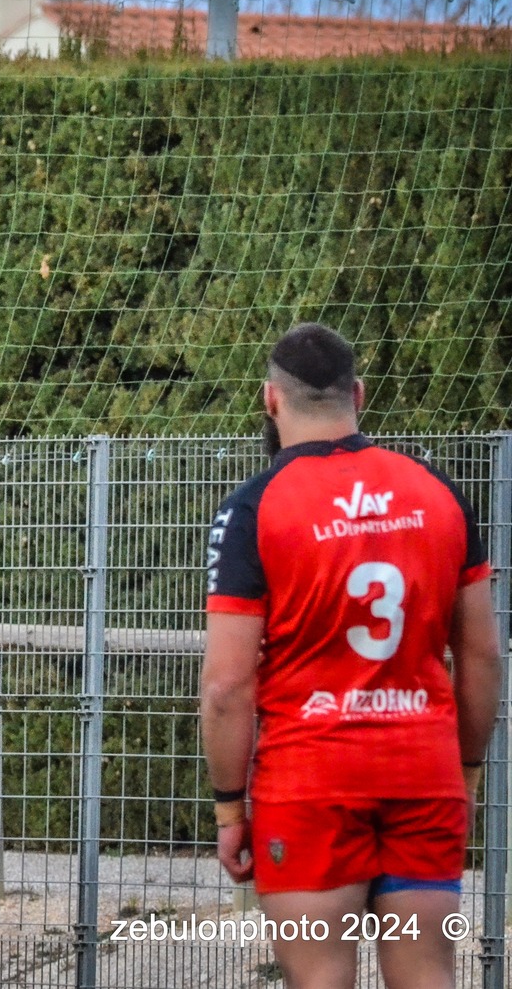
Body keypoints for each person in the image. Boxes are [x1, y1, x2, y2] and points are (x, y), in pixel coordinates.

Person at [201, 323, 501, 989]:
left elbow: (226, 687)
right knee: (427, 976)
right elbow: (481, 655)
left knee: (321, 979)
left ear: (270, 401)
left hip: (309, 784)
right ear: (358, 394)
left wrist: (229, 810)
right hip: (423, 774)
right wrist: (465, 773)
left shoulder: (253, 509)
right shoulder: (437, 491)